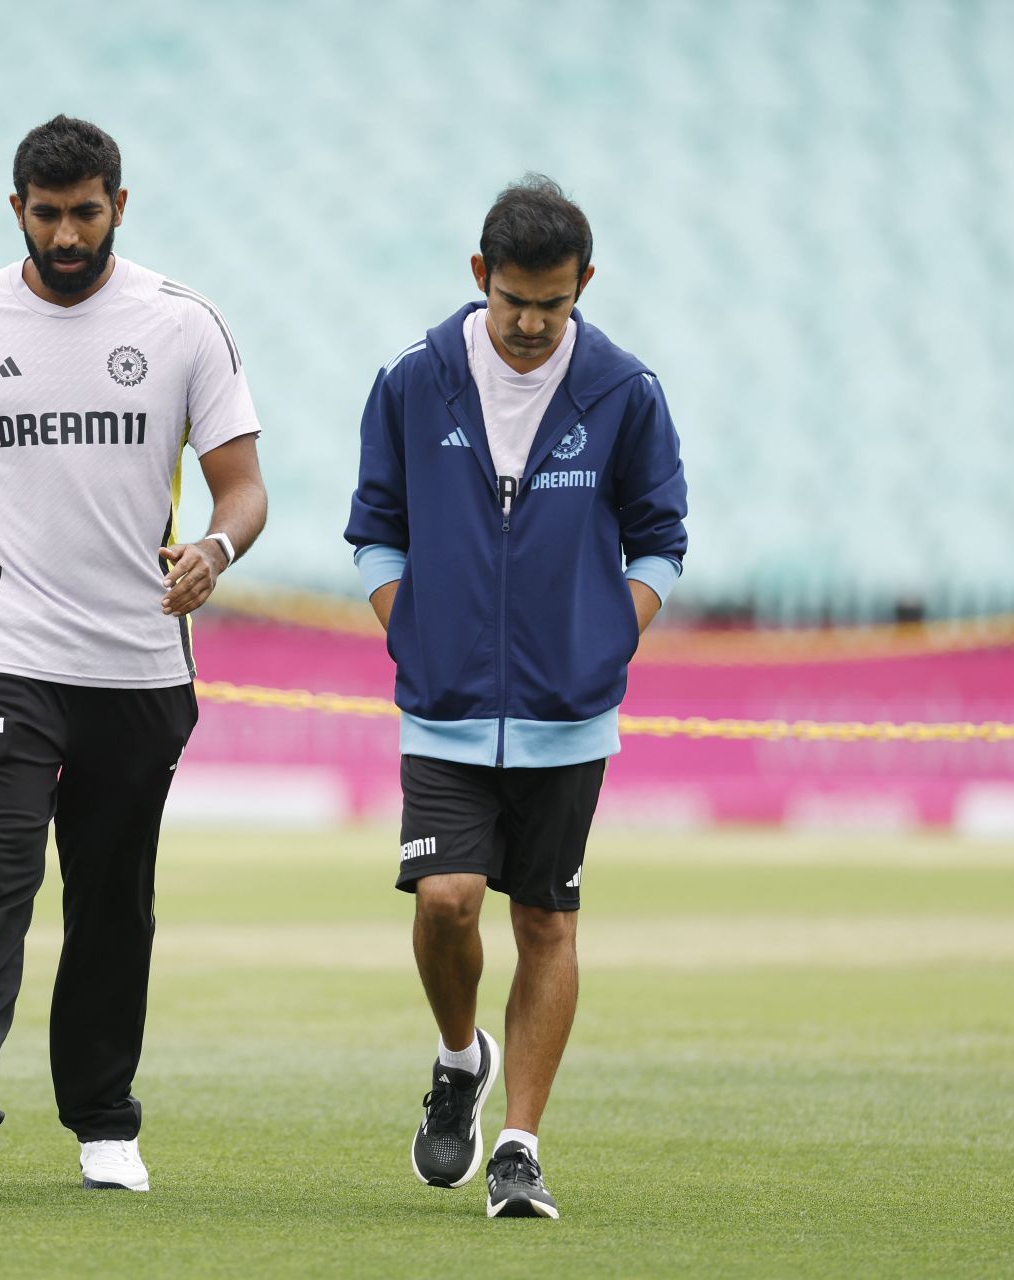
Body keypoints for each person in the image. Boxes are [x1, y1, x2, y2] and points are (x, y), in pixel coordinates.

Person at [0, 114, 267, 1199]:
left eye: (87, 212)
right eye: (48, 215)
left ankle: (103, 1122)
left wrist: (216, 548)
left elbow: (243, 483)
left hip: (140, 667)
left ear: (119, 207)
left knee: (111, 899)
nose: (68, 233)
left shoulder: (185, 327)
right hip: (5, 652)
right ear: (17, 211)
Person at [345, 175, 687, 1219]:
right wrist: (413, 627)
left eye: (555, 302)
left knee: (547, 921)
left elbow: (662, 537)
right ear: (479, 276)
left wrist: (603, 641)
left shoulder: (625, 390)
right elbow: (374, 525)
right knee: (446, 900)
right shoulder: (413, 380)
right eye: (515, 301)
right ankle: (459, 1059)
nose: (533, 323)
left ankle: (521, 1147)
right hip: (443, 704)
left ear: (584, 283)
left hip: (568, 714)